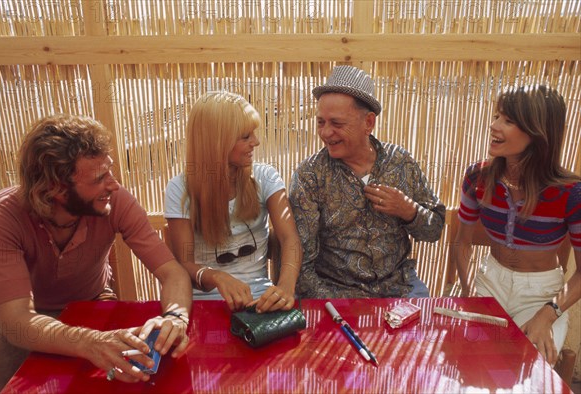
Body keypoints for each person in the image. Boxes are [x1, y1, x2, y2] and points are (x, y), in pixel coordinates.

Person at [0, 114, 193, 392]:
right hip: (30, 323)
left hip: (93, 302)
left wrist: (176, 318)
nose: (114, 184)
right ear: (55, 188)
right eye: (99, 178)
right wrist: (90, 342)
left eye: (110, 171)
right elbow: (17, 321)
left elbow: (172, 272)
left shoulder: (116, 201)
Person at [289, 65, 445, 299]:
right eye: (321, 122)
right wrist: (337, 306)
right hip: (337, 292)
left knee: (421, 333)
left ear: (369, 123)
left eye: (337, 124)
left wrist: (408, 210)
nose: (326, 133)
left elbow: (434, 230)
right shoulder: (310, 175)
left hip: (401, 287)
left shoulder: (400, 162)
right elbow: (302, 263)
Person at [454, 85, 581, 366]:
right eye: (497, 116)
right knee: (472, 365)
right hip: (489, 283)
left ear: (538, 133)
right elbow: (462, 241)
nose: (493, 125)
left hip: (541, 296)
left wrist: (548, 315)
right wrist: (468, 293)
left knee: (527, 370)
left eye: (508, 120)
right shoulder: (477, 177)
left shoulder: (571, 193)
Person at [164, 91, 302, 312]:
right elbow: (184, 265)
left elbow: (289, 238)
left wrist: (286, 286)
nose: (255, 142)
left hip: (260, 300)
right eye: (245, 136)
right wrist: (216, 277)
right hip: (202, 304)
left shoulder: (265, 177)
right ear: (217, 142)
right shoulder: (180, 189)